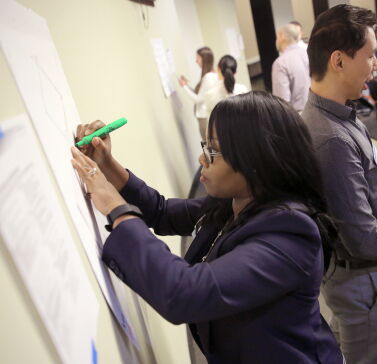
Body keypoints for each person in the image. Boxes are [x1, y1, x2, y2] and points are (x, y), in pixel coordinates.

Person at [71, 91, 344, 363]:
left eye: (213, 151)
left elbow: (184, 293)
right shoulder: (234, 202)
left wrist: (117, 210)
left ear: (255, 161)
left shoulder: (291, 233)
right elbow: (162, 212)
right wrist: (106, 164)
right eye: (206, 146)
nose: (203, 159)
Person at [302, 5, 377, 364]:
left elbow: (368, 199)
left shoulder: (336, 117)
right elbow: (361, 236)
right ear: (338, 61)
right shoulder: (332, 137)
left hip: (354, 279)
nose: (375, 66)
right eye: (369, 56)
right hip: (361, 284)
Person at [179, 46, 219, 140]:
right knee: (211, 148)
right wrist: (187, 85)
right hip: (206, 118)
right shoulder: (211, 75)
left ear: (204, 59)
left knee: (210, 149)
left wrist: (184, 87)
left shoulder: (208, 77)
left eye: (198, 58)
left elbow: (198, 99)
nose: (196, 61)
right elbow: (201, 94)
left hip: (205, 119)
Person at [272, 23, 310, 112]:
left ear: (282, 36)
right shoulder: (309, 53)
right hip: (318, 111)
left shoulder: (281, 63)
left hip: (298, 116)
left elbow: (282, 102)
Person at [204, 55, 248, 122]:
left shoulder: (209, 95)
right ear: (235, 72)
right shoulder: (243, 89)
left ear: (218, 69)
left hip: (222, 132)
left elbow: (210, 123)